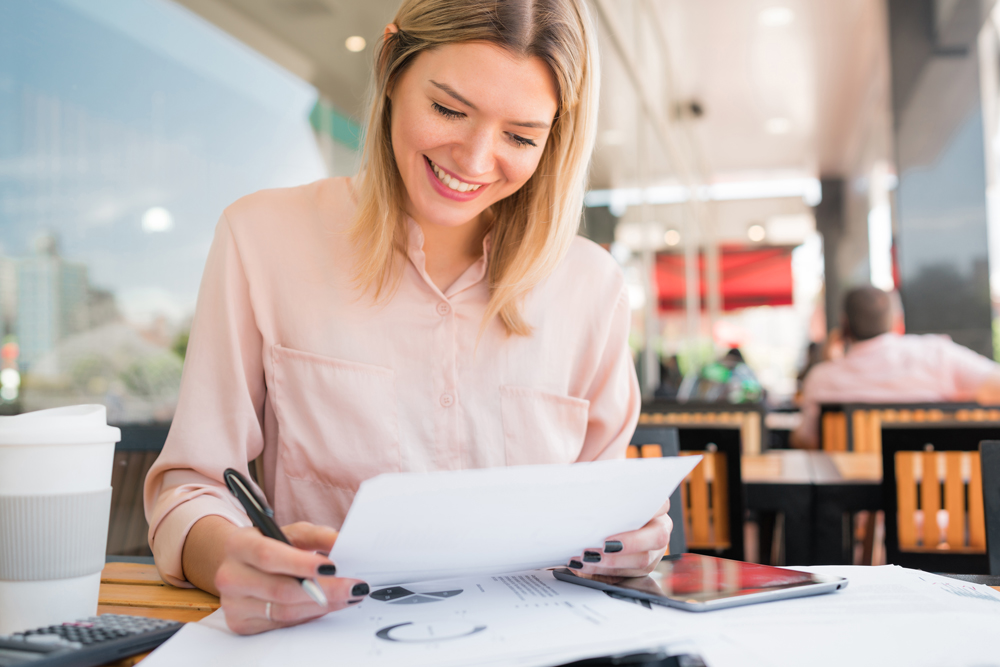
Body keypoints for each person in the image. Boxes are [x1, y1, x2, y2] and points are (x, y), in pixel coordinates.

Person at [144, 0, 671, 636]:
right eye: (449, 109)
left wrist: (628, 537)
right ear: (392, 68)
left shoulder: (593, 288)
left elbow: (603, 512)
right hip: (327, 640)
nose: (475, 161)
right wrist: (229, 555)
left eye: (521, 137)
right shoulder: (261, 238)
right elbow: (191, 485)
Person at [791, 285, 1000, 449]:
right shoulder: (937, 355)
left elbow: (806, 440)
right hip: (939, 498)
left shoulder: (822, 378)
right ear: (895, 319)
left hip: (854, 501)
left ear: (844, 325)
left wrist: (829, 362)